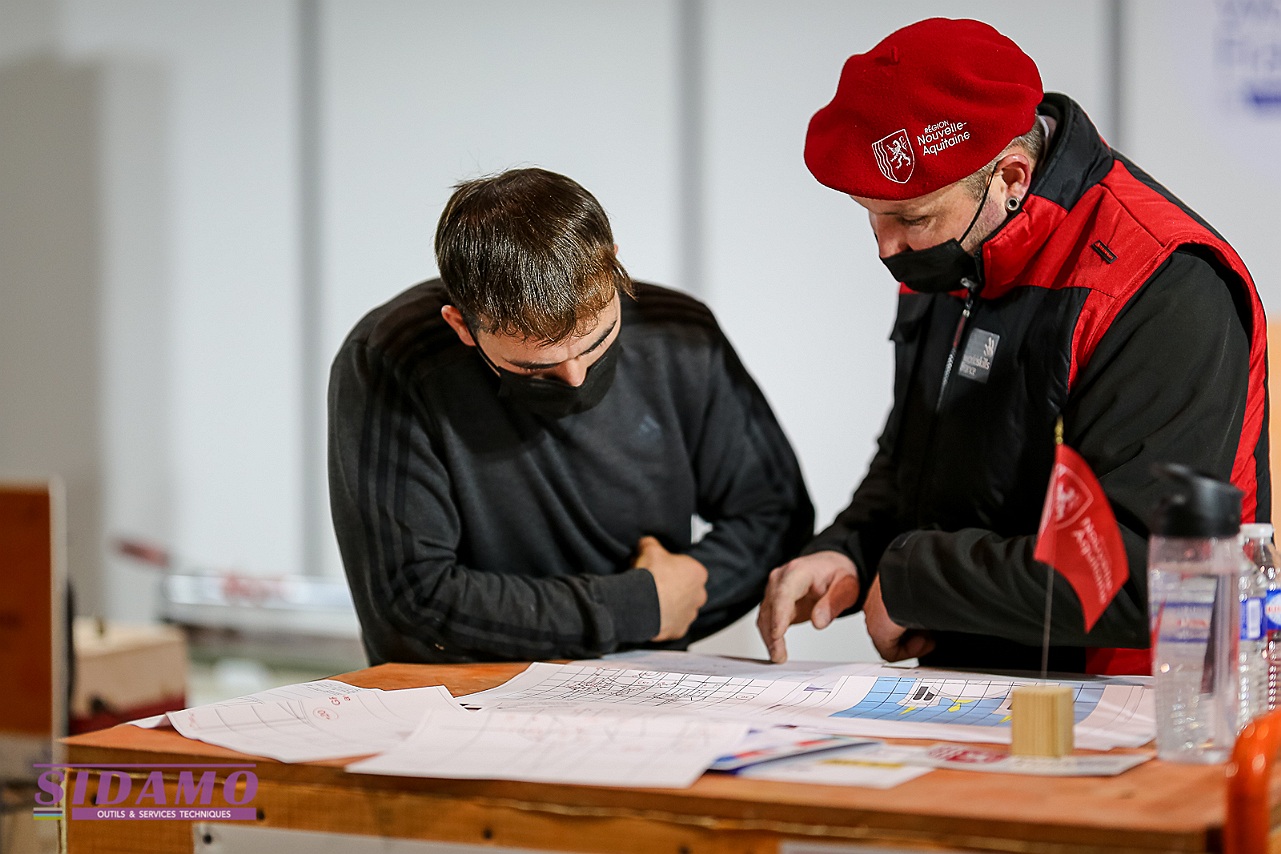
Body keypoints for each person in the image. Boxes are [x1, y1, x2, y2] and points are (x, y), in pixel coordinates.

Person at [758, 17, 1269, 674]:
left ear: (1011, 177)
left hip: (1144, 710)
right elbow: (915, 456)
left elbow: (1152, 572)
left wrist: (915, 579)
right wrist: (850, 550)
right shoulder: (953, 249)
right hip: (977, 687)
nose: (883, 247)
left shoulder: (1160, 281)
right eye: (871, 214)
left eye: (907, 218)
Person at [330, 167, 813, 664]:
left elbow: (775, 514)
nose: (577, 376)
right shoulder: (392, 358)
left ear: (614, 270)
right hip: (458, 698)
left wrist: (686, 595)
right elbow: (413, 595)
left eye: (599, 343)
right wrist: (634, 608)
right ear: (463, 327)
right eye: (535, 367)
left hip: (643, 685)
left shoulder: (680, 335)